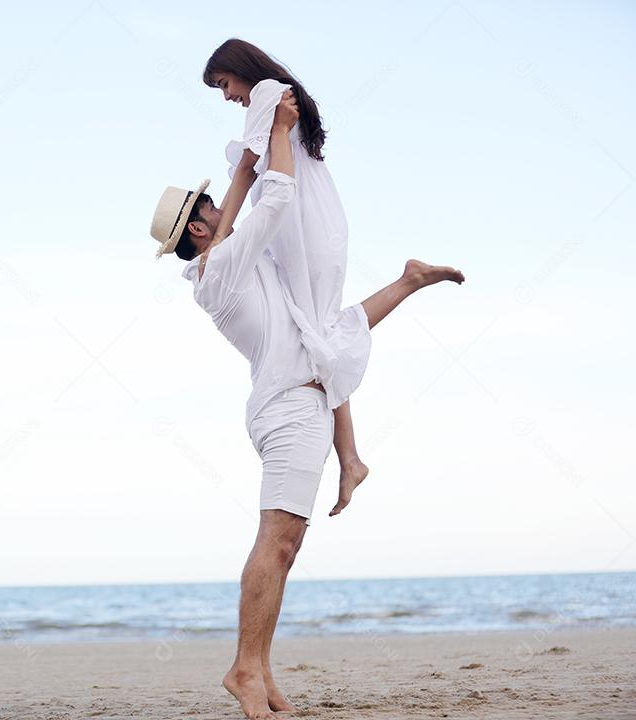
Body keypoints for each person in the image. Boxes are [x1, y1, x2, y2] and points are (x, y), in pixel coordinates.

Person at [149, 93, 464, 719]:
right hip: (288, 409)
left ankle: (260, 673)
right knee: (278, 541)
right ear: (198, 228)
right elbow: (280, 197)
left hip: (304, 403)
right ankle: (244, 669)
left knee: (287, 546)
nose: (217, 206)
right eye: (206, 205)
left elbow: (335, 329)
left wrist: (407, 284)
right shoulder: (219, 273)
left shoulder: (242, 261)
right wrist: (281, 135)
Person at [207, 38, 380, 516]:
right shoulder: (281, 93)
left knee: (318, 338)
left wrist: (221, 239)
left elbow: (247, 169)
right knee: (316, 337)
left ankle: (350, 458)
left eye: (223, 84)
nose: (227, 97)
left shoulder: (266, 92)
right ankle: (351, 458)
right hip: (312, 231)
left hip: (302, 235)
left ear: (240, 70)